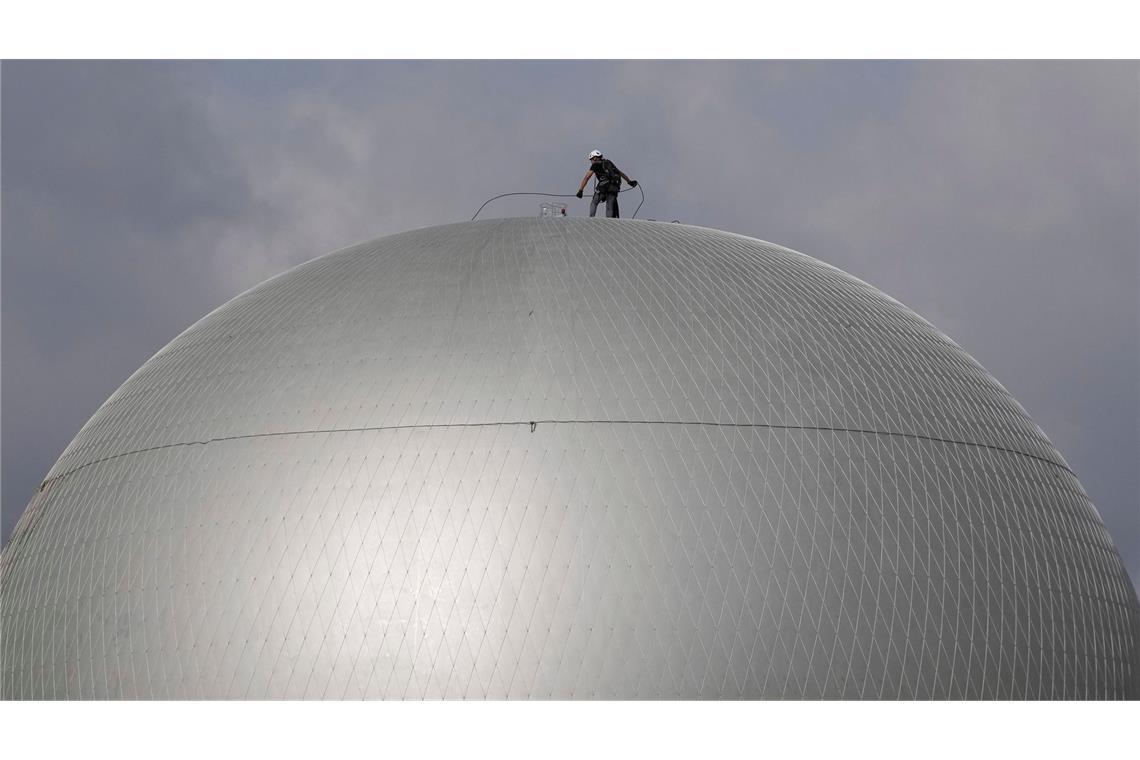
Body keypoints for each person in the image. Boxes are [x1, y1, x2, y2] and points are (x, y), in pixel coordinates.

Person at [576, 150, 638, 218]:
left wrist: (580, 190)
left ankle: (591, 218)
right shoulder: (608, 162)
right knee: (609, 206)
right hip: (614, 187)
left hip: (603, 186)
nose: (591, 162)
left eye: (591, 160)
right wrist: (629, 182)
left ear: (595, 158)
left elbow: (586, 178)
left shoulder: (595, 164)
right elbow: (620, 173)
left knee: (594, 202)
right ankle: (609, 221)